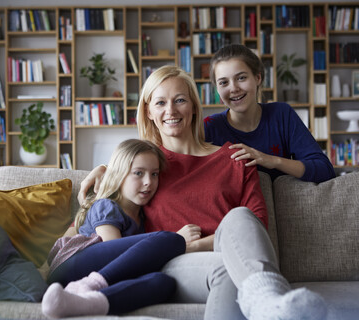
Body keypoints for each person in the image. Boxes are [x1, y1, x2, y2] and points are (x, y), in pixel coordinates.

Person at [78, 66, 327, 320]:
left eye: (180, 100)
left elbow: (255, 227)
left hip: (240, 258)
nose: (171, 111)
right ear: (149, 112)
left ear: (194, 107)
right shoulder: (144, 169)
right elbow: (101, 214)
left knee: (240, 218)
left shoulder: (236, 158)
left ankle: (266, 303)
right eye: (160, 102)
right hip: (175, 263)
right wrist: (104, 170)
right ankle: (271, 303)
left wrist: (198, 244)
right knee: (227, 270)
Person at [42, 139, 186, 319]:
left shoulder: (142, 217)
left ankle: (86, 302)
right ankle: (88, 285)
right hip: (71, 264)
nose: (148, 182)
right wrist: (185, 244)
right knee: (172, 240)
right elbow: (115, 252)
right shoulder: (106, 206)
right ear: (119, 175)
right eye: (138, 173)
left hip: (92, 275)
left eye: (154, 174)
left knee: (164, 283)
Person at [205, 44, 335, 183]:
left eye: (241, 78)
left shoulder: (281, 115)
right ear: (217, 90)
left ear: (258, 78)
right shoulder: (209, 127)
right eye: (224, 82)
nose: (234, 88)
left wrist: (271, 160)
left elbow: (325, 170)